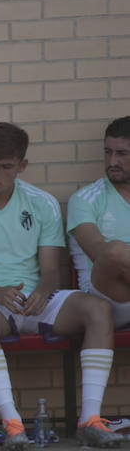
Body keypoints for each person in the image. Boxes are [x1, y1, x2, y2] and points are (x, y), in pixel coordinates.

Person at [0, 121, 123, 450]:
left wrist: (41, 291)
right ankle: (13, 424)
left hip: (36, 299)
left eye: (6, 166)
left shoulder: (43, 202)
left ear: (22, 165)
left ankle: (90, 421)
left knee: (97, 308)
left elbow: (51, 270)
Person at [68, 116, 130, 329]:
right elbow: (101, 255)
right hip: (104, 298)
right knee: (115, 251)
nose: (112, 162)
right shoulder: (85, 200)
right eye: (108, 152)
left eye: (121, 154)